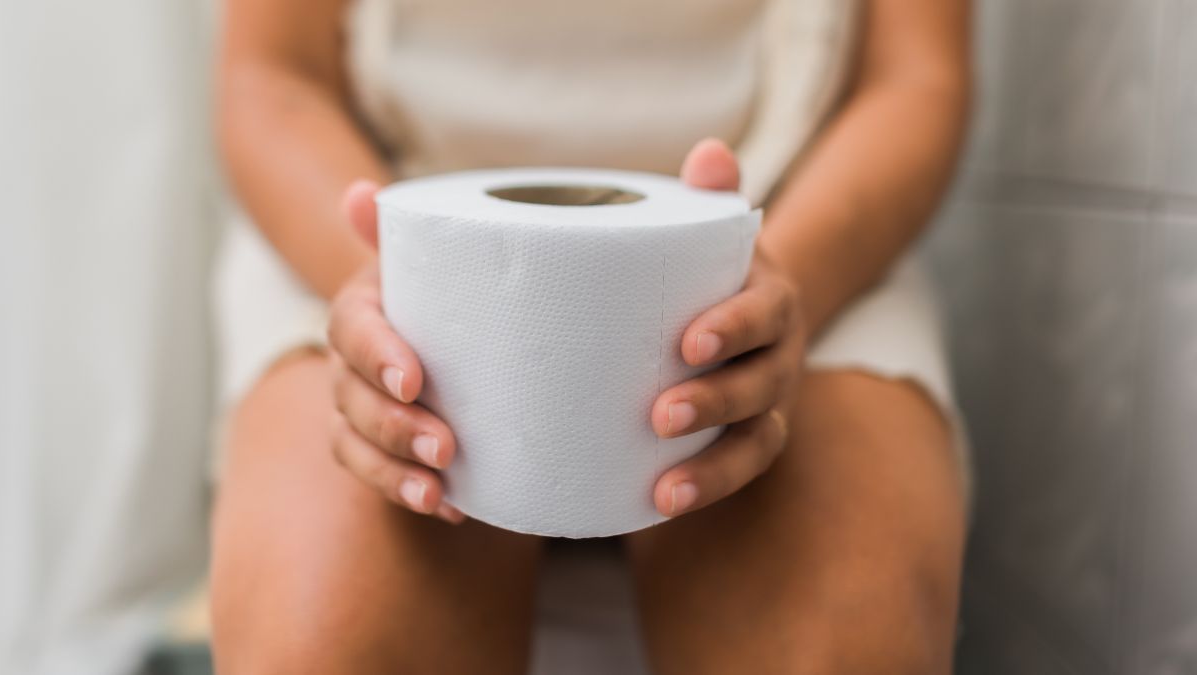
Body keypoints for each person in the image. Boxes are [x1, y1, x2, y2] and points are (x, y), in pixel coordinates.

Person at [209, 0, 972, 672]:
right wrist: (398, 279)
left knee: (851, 649)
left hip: (784, 220)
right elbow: (272, 78)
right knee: (325, 640)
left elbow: (914, 78)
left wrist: (774, 287)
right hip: (397, 222)